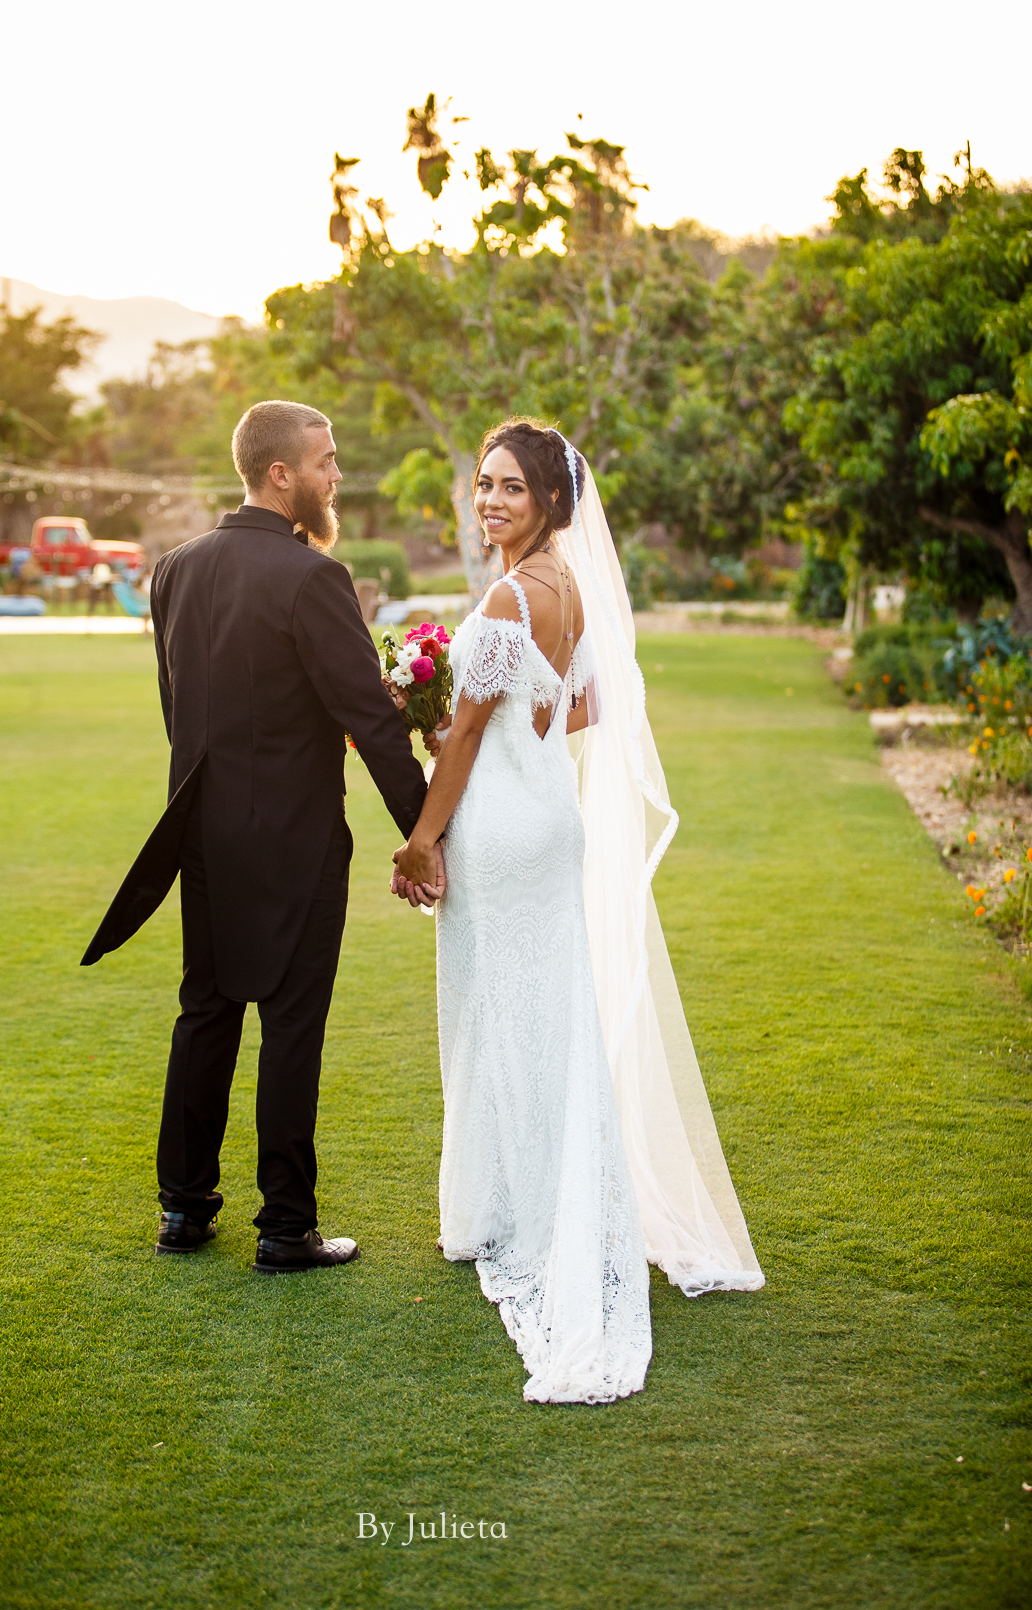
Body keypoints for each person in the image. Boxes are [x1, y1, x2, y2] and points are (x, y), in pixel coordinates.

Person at [391, 421, 763, 1403]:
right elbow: (591, 703)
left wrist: (423, 839)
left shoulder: (512, 595)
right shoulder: (571, 589)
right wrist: (518, 713)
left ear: (552, 501)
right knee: (538, 1019)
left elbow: (463, 740)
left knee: (496, 1020)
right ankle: (524, 1206)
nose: (492, 503)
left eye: (511, 488)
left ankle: (508, 1219)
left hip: (504, 832)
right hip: (550, 820)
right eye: (484, 486)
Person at [82, 400, 442, 1271]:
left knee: (205, 1012)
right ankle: (285, 1228)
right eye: (325, 461)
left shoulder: (175, 570)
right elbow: (370, 722)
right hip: (295, 844)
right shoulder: (315, 577)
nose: (335, 477)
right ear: (281, 474)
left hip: (200, 836)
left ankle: (183, 1211)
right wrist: (431, 835)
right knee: (289, 1027)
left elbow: (186, 712)